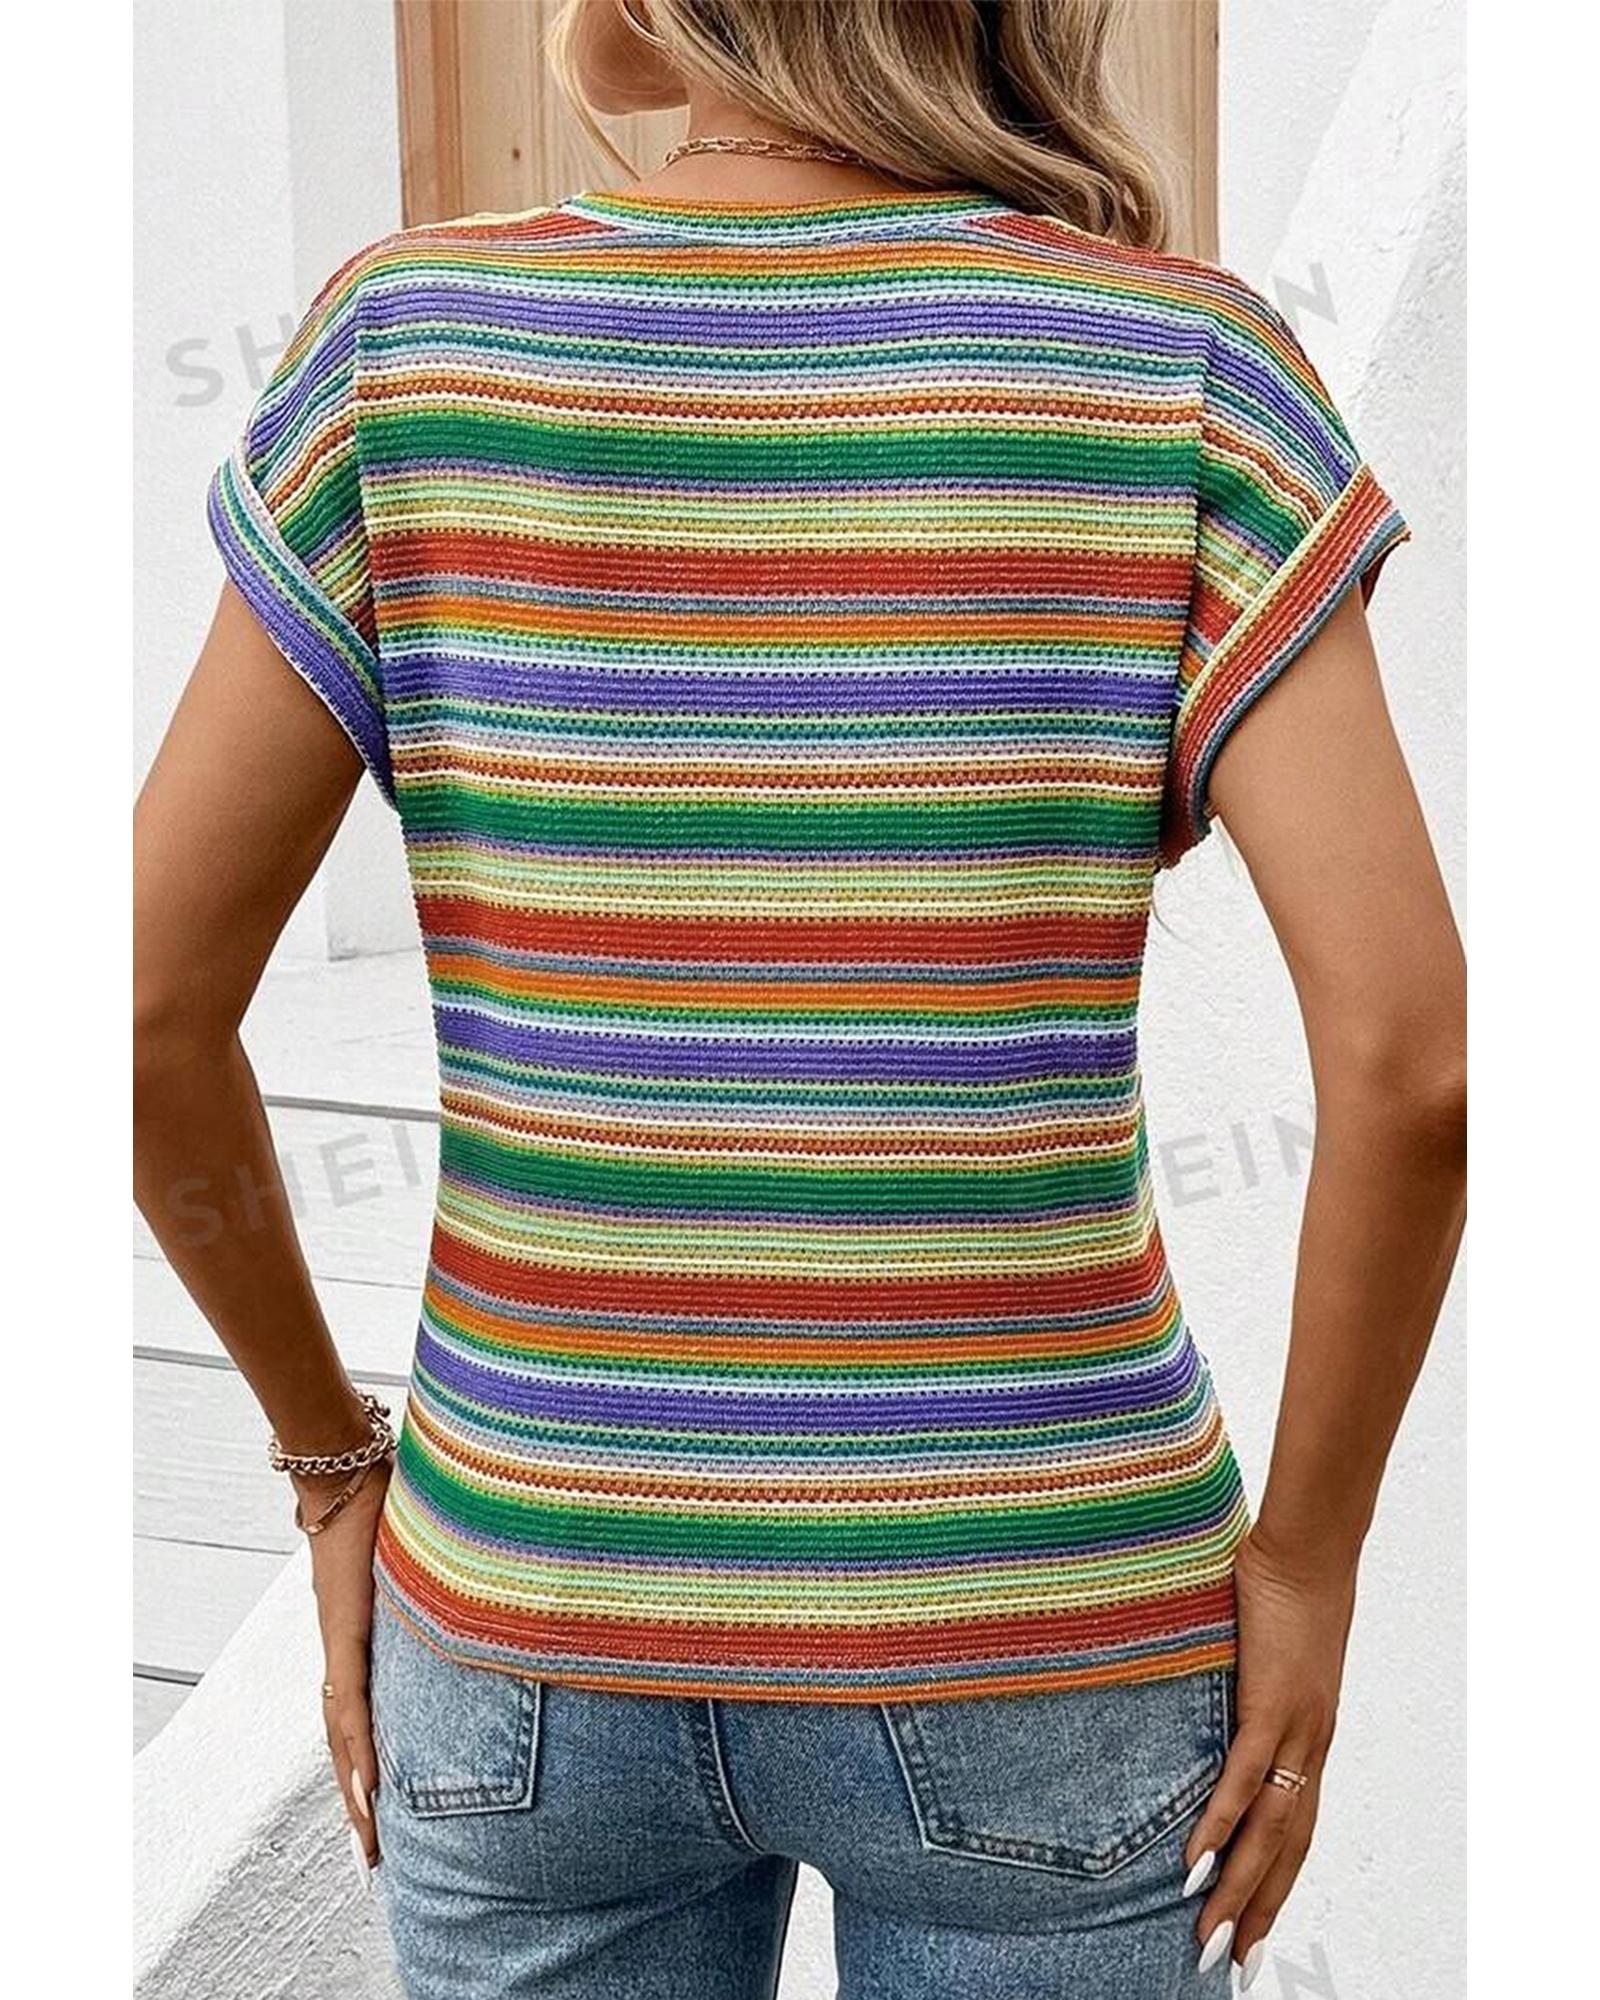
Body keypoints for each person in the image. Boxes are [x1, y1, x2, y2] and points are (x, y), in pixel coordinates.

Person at [132, 2, 1466, 1994]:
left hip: (531, 1610)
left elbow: (137, 1008)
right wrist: (1309, 1562)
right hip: (1043, 1617)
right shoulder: (1179, 369)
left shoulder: (401, 350)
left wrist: (332, 1466)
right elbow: (1415, 1063)